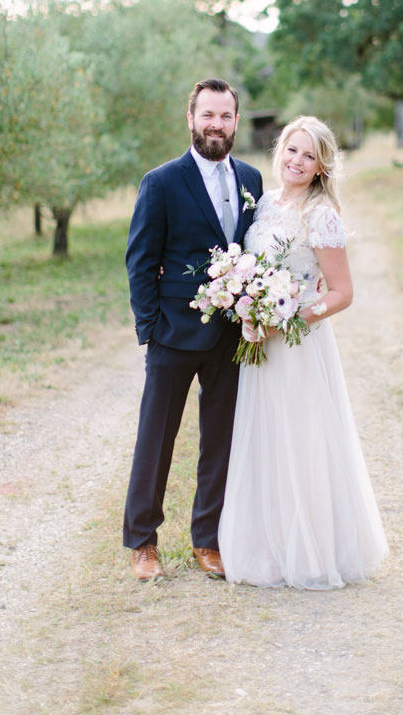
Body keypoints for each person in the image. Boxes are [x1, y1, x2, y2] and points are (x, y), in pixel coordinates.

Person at [218, 116, 389, 588]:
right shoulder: (264, 204)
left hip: (296, 344)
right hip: (259, 343)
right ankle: (269, 547)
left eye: (308, 155)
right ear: (279, 152)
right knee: (265, 439)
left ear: (320, 167)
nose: (296, 161)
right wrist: (246, 304)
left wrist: (285, 320)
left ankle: (311, 552)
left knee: (302, 441)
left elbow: (341, 292)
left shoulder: (321, 215)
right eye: (291, 150)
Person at [124, 78, 264, 581]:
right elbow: (140, 260)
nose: (216, 125)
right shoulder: (161, 182)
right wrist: (150, 329)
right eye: (208, 115)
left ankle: (208, 539)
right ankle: (143, 541)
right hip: (172, 334)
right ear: (191, 118)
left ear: (236, 122)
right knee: (156, 439)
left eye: (225, 116)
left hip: (232, 335)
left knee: (221, 440)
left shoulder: (252, 178)